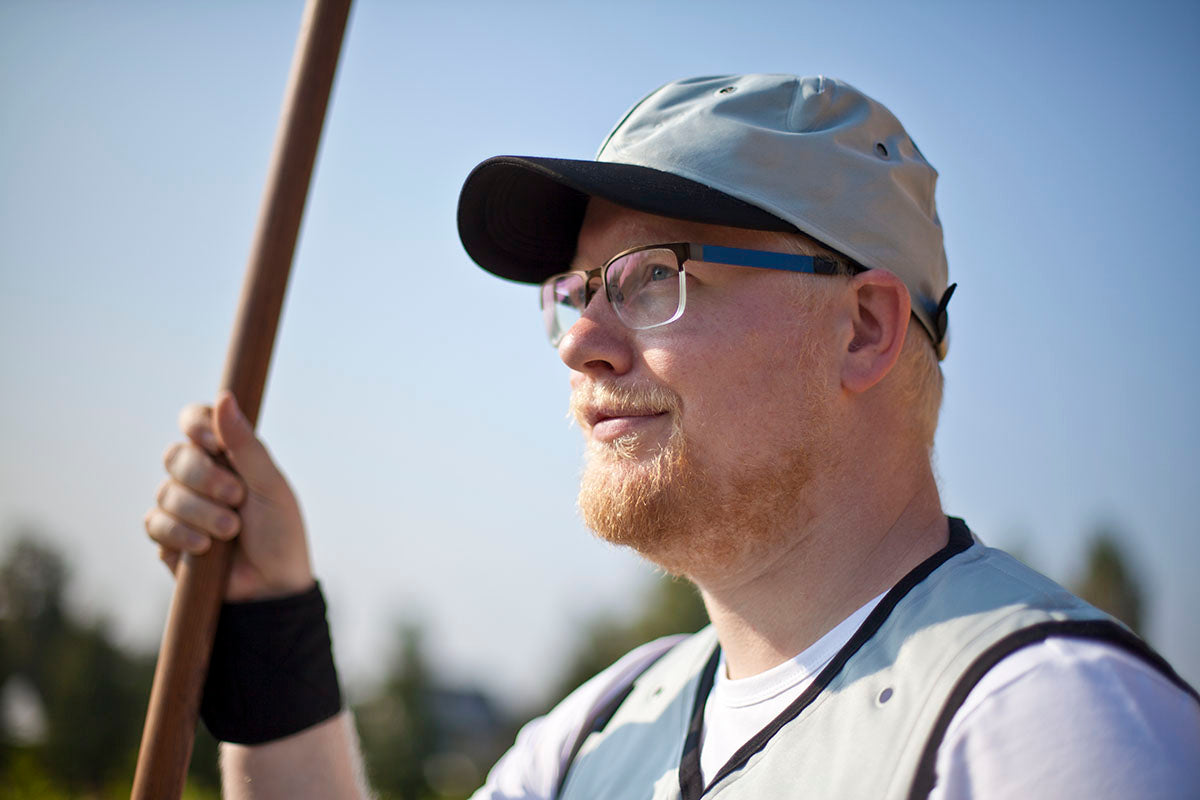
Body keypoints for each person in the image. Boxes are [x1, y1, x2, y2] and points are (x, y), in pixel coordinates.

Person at [145, 74, 1200, 799]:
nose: (583, 345)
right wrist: (269, 611)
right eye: (576, 291)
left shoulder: (1046, 723)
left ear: (865, 327)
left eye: (656, 278)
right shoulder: (600, 732)